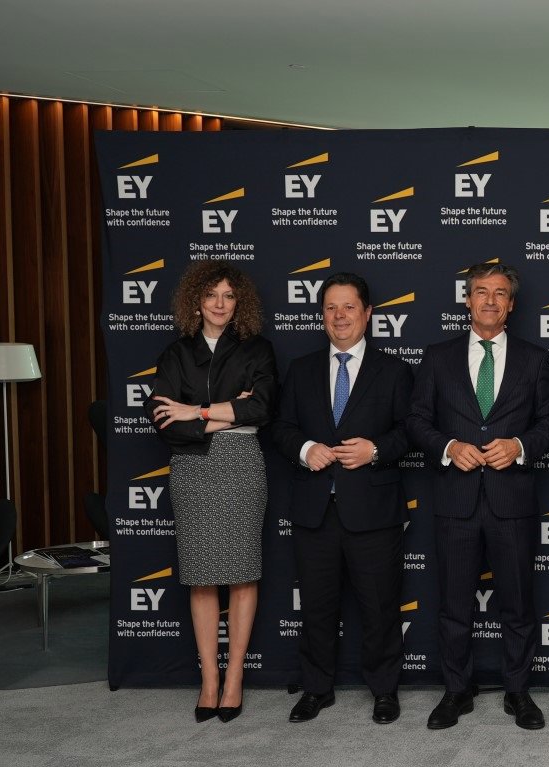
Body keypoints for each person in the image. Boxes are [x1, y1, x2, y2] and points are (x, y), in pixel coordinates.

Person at [407, 262, 549, 731]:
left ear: (511, 304)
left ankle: (518, 692)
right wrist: (449, 448)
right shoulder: (438, 356)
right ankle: (457, 691)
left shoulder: (534, 359)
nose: (490, 301)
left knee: (517, 605)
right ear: (467, 300)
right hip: (456, 501)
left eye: (499, 293)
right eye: (481, 292)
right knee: (454, 606)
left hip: (511, 500)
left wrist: (519, 446)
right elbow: (416, 420)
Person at [272, 272, 414, 725]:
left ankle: (384, 690)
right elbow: (281, 427)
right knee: (316, 607)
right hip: (315, 510)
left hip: (373, 510)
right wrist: (304, 449)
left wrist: (376, 450)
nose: (339, 316)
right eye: (331, 308)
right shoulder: (301, 369)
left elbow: (410, 431)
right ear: (322, 315)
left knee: (380, 607)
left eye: (349, 307)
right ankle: (316, 689)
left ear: (367, 313)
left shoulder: (394, 371)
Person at [147, 260, 276, 724]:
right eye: (211, 295)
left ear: (240, 303)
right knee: (201, 577)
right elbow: (164, 421)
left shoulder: (257, 349)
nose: (220, 304)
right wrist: (225, 412)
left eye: (229, 296)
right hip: (192, 469)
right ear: (195, 302)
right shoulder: (176, 353)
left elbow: (262, 410)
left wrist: (196, 411)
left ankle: (234, 677)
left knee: (242, 574)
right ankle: (209, 679)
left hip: (242, 465)